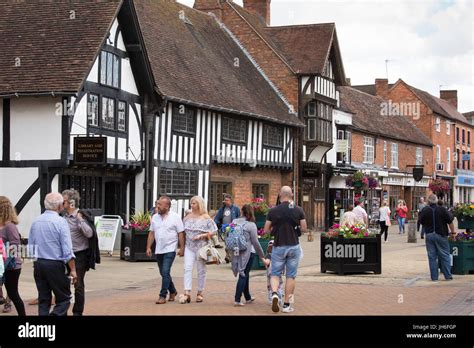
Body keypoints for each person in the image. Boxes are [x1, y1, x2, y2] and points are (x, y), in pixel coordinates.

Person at [29, 192, 77, 316]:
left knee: (44, 299)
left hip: (39, 263)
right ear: (59, 206)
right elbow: (67, 249)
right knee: (64, 298)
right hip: (55, 264)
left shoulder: (36, 221)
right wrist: (73, 269)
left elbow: (30, 246)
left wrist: (35, 262)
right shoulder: (61, 222)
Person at [264, 186, 307, 313]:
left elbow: (266, 230)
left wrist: (275, 229)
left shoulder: (273, 211)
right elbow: (304, 228)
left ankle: (275, 294)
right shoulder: (298, 210)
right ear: (292, 195)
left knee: (275, 274)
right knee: (291, 276)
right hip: (293, 246)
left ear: (280, 195)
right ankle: (287, 304)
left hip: (278, 246)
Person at [179, 196, 218, 304]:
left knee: (201, 270)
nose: (192, 205)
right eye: (191, 203)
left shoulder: (206, 218)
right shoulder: (187, 218)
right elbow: (182, 232)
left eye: (194, 203)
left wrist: (202, 235)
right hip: (189, 246)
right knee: (187, 268)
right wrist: (181, 247)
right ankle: (187, 292)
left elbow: (214, 231)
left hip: (201, 247)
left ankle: (200, 292)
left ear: (200, 204)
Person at [146, 196, 185, 304]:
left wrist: (182, 248)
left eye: (159, 204)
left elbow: (180, 233)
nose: (157, 206)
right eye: (157, 204)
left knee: (165, 271)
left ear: (167, 206)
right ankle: (173, 291)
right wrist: (148, 247)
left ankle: (162, 295)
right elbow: (152, 233)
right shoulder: (154, 217)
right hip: (159, 249)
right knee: (163, 272)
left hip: (170, 248)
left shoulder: (175, 217)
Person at [61, 189, 92, 316]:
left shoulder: (81, 216)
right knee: (63, 284)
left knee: (78, 284)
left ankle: (77, 312)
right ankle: (63, 310)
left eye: (64, 201)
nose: (61, 203)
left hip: (79, 254)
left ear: (71, 202)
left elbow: (89, 233)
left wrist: (80, 220)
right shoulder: (63, 217)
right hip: (64, 255)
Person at [231, 204, 269, 306]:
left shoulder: (234, 222)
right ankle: (237, 299)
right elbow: (255, 242)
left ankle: (247, 297)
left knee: (245, 274)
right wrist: (262, 256)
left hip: (236, 251)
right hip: (248, 253)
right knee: (243, 274)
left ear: (242, 212)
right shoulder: (251, 225)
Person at [417, 194, 455, 281]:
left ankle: (434, 277)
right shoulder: (442, 209)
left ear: (428, 201)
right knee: (445, 255)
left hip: (429, 235)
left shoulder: (425, 210)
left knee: (432, 256)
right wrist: (453, 232)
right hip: (441, 234)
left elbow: (421, 221)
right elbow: (450, 222)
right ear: (437, 200)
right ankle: (447, 275)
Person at [0, 196, 26, 316]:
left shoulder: (10, 226)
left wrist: (3, 253)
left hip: (11, 266)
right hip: (2, 266)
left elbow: (15, 245)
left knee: (13, 293)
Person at [265, 240, 283, 305]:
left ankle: (271, 300)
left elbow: (267, 262)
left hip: (270, 274)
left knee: (270, 287)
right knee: (279, 286)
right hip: (278, 274)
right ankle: (280, 299)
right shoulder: (279, 256)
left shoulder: (269, 255)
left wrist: (263, 260)